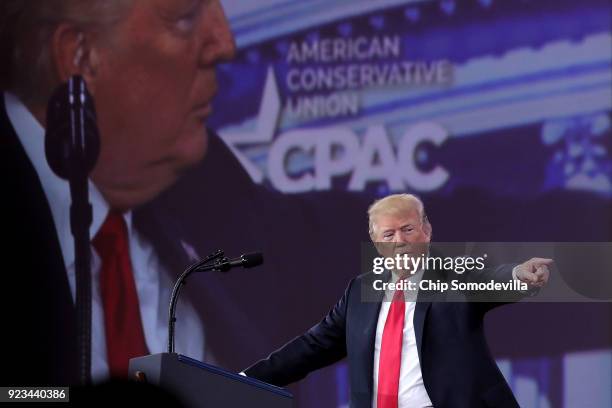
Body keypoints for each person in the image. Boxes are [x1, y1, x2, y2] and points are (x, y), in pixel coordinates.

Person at [0, 0, 235, 385]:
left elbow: (333, 237)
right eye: (184, 17)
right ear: (81, 56)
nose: (225, 43)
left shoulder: (208, 178)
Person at [244, 193, 552, 408]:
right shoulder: (360, 292)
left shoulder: (453, 274)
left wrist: (518, 275)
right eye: (389, 234)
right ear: (376, 242)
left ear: (426, 231)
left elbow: (490, 279)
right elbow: (312, 347)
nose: (400, 241)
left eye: (408, 229)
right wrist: (245, 380)